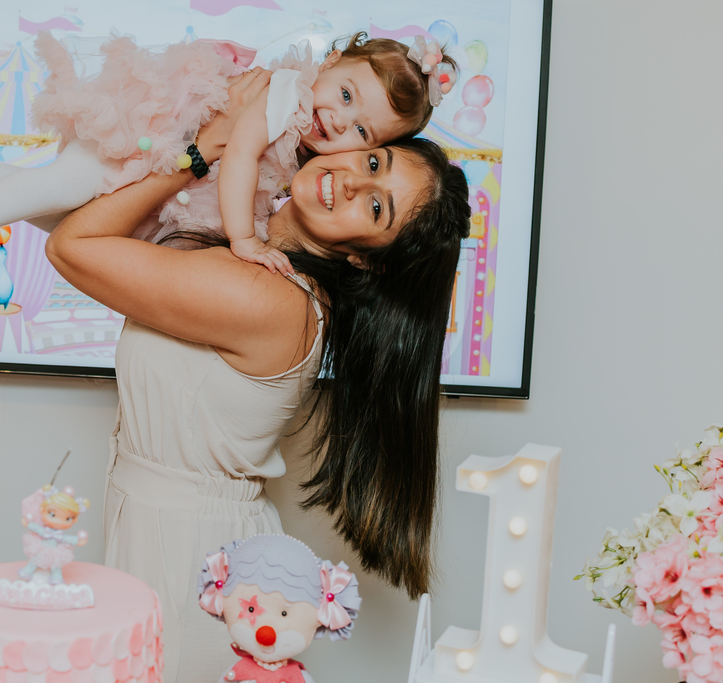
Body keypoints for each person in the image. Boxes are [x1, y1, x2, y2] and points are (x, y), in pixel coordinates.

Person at [44, 70, 472, 682]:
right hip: (159, 528)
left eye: (375, 207)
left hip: (189, 554)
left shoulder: (270, 298)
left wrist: (206, 149)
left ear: (362, 258)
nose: (350, 181)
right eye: (373, 160)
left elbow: (71, 246)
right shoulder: (253, 248)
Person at [0, 32, 455, 289]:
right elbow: (239, 152)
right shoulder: (288, 94)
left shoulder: (304, 148)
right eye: (344, 95)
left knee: (74, 220)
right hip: (146, 137)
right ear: (332, 61)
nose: (341, 122)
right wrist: (246, 240)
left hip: (167, 164)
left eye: (361, 130)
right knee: (67, 187)